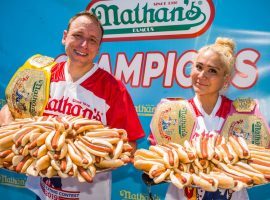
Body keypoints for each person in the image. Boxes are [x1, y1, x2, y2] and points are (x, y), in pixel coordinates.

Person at [0, 11, 145, 200]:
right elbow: (10, 110)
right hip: (44, 192)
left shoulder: (113, 88)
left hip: (88, 194)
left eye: (92, 40)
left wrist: (94, 159)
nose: (84, 45)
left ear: (99, 47)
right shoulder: (41, 75)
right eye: (78, 35)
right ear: (64, 37)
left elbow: (130, 142)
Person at [149, 37, 250, 200]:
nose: (202, 75)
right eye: (199, 67)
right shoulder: (173, 112)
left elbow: (255, 160)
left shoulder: (242, 115)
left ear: (226, 80)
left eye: (212, 71)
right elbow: (158, 157)